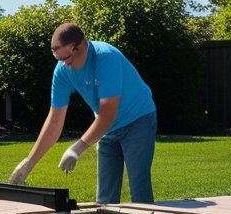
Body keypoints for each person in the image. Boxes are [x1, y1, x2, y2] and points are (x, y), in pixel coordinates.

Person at [9, 23, 157, 204]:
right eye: (59, 60)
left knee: (139, 190)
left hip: (137, 120)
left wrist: (76, 148)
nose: (65, 65)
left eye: (68, 60)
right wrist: (30, 162)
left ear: (81, 46)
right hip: (106, 129)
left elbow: (108, 115)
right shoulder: (62, 69)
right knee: (105, 199)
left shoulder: (106, 59)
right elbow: (55, 120)